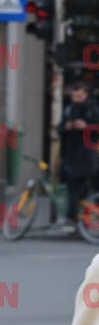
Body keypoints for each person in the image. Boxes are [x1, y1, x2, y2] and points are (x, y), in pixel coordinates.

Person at [59, 80, 99, 232]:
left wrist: (86, 126)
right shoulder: (69, 109)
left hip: (87, 155)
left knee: (74, 185)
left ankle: (72, 219)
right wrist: (67, 126)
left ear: (86, 95)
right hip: (71, 154)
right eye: (74, 96)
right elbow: (60, 128)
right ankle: (81, 221)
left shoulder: (93, 109)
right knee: (78, 189)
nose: (77, 99)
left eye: (80, 96)